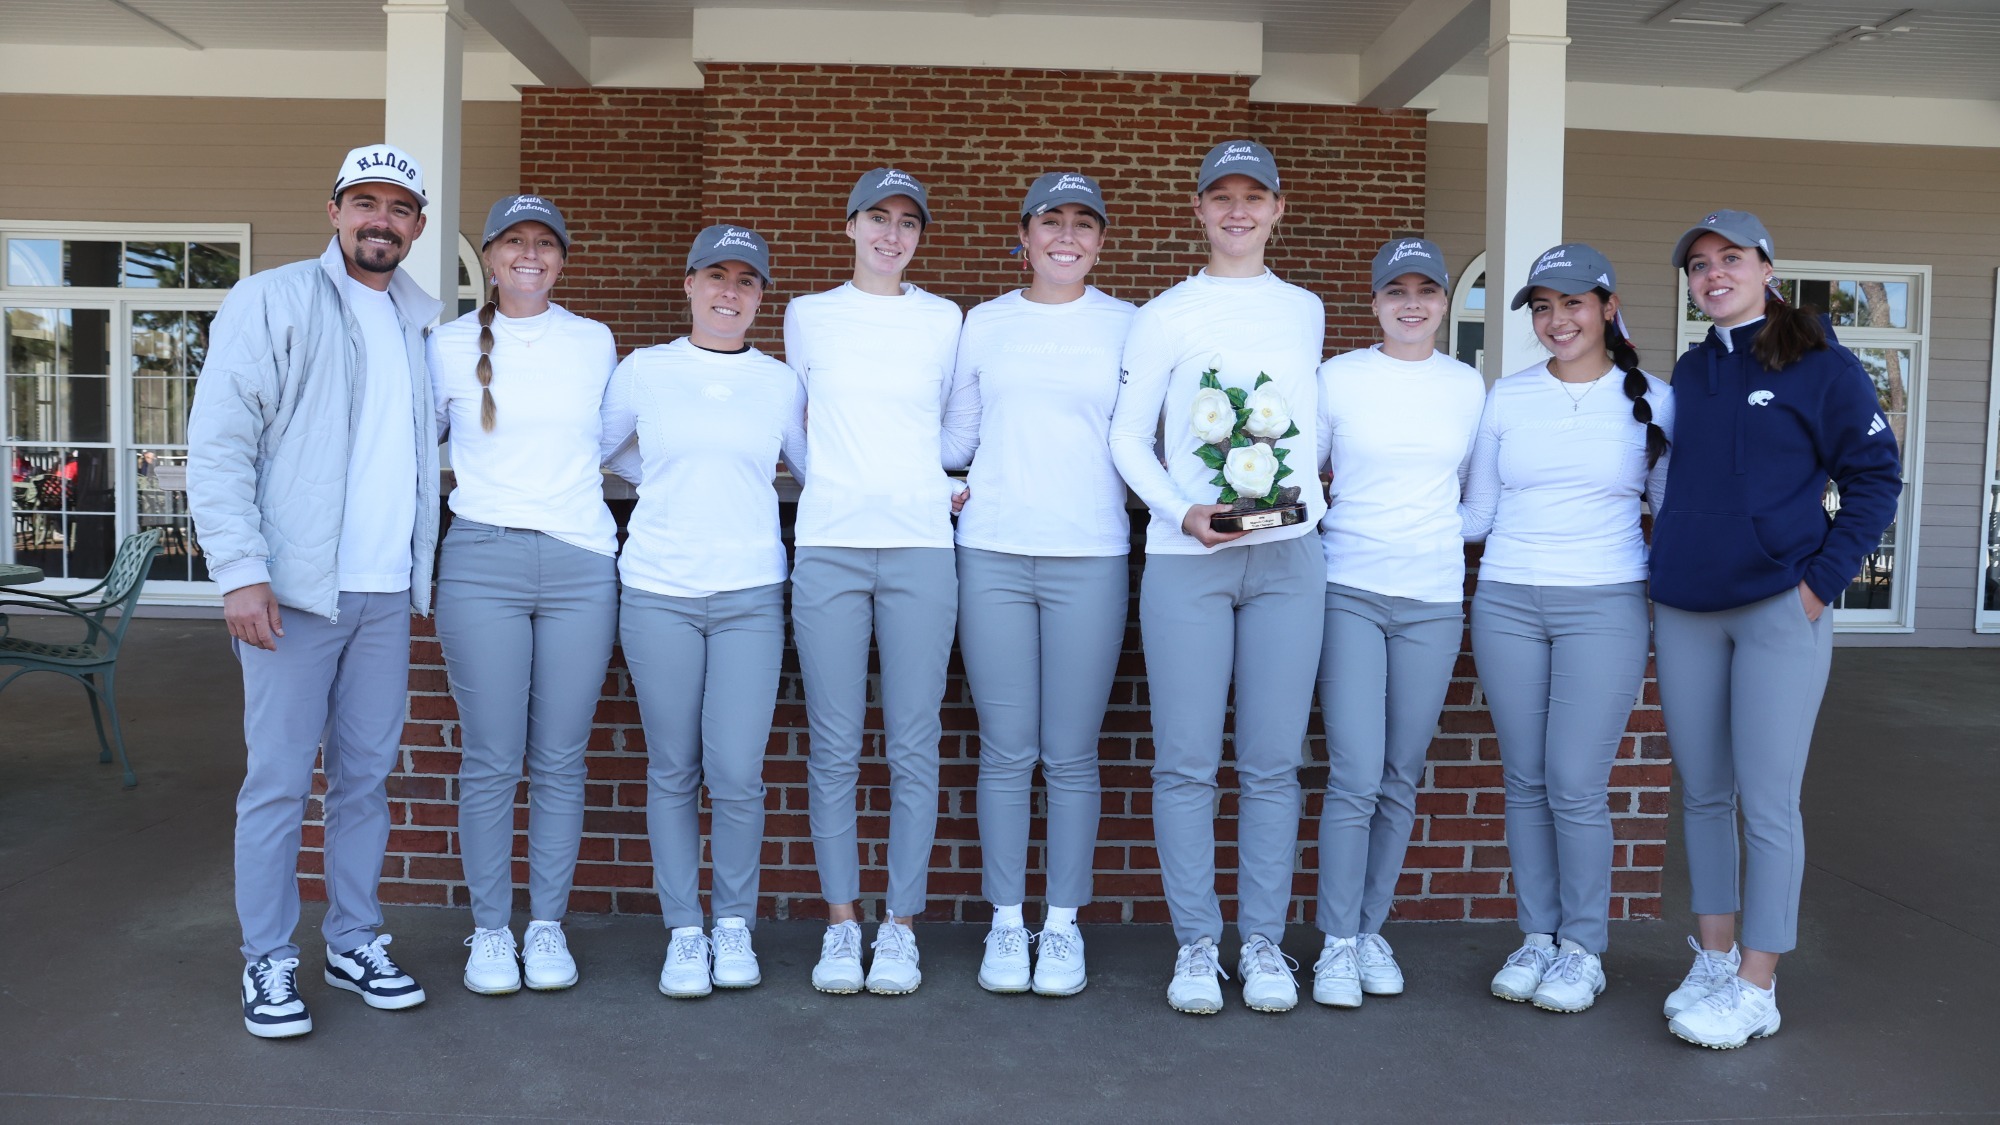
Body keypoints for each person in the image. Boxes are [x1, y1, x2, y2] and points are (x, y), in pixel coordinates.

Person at [188, 143, 440, 1038]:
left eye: (399, 206)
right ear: (334, 210)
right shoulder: (272, 299)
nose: (382, 219)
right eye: (364, 201)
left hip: (384, 593)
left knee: (366, 781)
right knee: (278, 784)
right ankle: (268, 957)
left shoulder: (423, 321)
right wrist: (241, 572)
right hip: (292, 594)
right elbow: (220, 444)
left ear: (417, 224)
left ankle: (353, 937)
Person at [1653, 211, 1900, 1049]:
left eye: (1730, 258)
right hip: (1687, 608)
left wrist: (1818, 585)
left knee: (1766, 801)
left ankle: (1759, 981)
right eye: (1698, 265)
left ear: (1766, 267)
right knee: (1703, 793)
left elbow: (1875, 476)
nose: (1713, 273)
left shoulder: (1820, 366)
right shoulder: (1692, 369)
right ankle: (1715, 958)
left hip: (1775, 610)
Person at [1109, 140, 1327, 1015]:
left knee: (1274, 762)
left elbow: (1309, 426)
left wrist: (1314, 496)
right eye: (1221, 197)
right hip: (1188, 560)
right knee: (1188, 762)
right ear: (1196, 209)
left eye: (1255, 197)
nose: (1238, 211)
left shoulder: (1305, 308)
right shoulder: (1163, 312)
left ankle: (1264, 940)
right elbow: (1127, 436)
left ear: (1279, 208)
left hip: (1286, 559)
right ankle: (1198, 943)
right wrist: (1180, 510)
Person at [1462, 244, 1672, 1014]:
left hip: (1605, 601)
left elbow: (1671, 514)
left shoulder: (1655, 397)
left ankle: (1583, 947)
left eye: (1574, 303)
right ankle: (1537, 936)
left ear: (1608, 308)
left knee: (1576, 783)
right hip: (1509, 600)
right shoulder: (1507, 397)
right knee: (1525, 780)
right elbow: (1477, 514)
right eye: (1543, 307)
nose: (1558, 320)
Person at [600, 225, 807, 999]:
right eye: (716, 276)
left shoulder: (779, 382)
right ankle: (685, 930)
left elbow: (820, 468)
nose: (730, 292)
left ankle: (733, 924)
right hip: (659, 589)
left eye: (746, 281)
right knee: (674, 768)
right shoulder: (645, 369)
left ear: (761, 296)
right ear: (688, 284)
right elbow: (602, 447)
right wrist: (658, 471)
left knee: (737, 771)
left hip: (751, 590)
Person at [426, 195, 619, 996]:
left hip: (581, 562)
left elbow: (612, 442)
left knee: (561, 758)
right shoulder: (442, 344)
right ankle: (491, 932)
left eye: (545, 243)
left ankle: (546, 927)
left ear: (563, 259)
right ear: (492, 257)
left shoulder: (594, 341)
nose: (530, 255)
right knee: (493, 758)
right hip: (481, 561)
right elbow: (407, 447)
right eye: (514, 242)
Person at [949, 172, 1136, 997]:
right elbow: (957, 433)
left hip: (1090, 553)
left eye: (1083, 223)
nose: (1067, 235)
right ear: (1023, 235)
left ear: (1100, 240)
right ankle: (1005, 921)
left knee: (1070, 752)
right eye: (1051, 221)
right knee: (1006, 748)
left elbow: (1150, 438)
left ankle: (1060, 925)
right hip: (990, 549)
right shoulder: (983, 323)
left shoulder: (1130, 325)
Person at [786, 168, 972, 996]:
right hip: (828, 543)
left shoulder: (944, 320)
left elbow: (961, 422)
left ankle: (899, 925)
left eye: (908, 223)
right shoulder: (808, 315)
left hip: (921, 549)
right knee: (833, 744)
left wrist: (938, 479)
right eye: (878, 219)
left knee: (912, 742)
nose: (892, 235)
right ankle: (841, 924)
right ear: (850, 225)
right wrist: (836, 479)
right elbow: (793, 424)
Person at [1309, 238, 1485, 1009]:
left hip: (1433, 598)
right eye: (1395, 290)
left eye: (1426, 290)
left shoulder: (1469, 385)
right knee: (1353, 771)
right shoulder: (1337, 377)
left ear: (1445, 301)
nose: (1411, 303)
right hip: (1348, 586)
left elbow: (1480, 500)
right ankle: (1336, 943)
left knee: (1398, 774)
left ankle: (1370, 926)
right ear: (1374, 301)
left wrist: (1437, 534)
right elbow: (1304, 482)